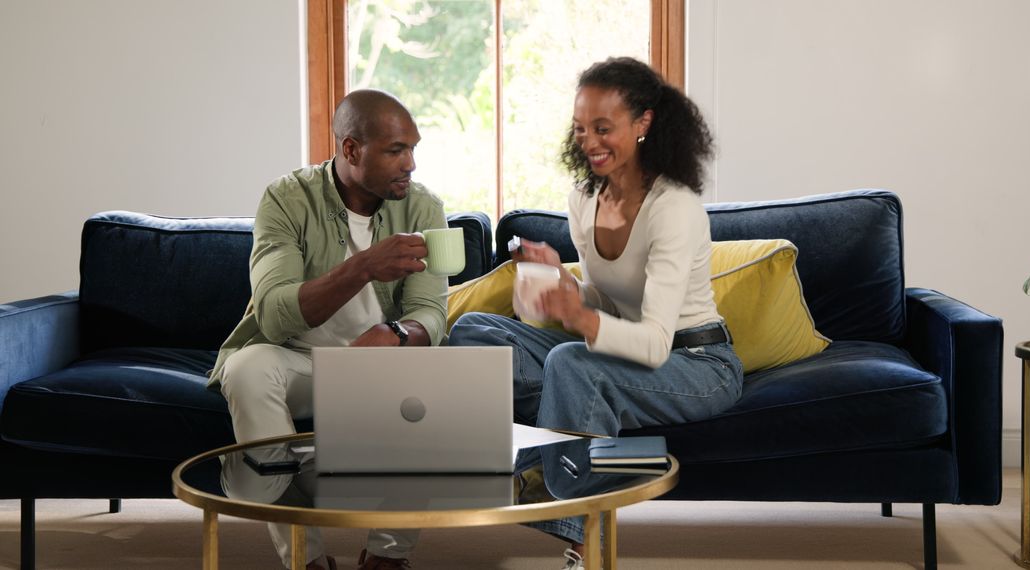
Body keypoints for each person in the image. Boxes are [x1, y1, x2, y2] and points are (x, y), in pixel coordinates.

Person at [449, 57, 744, 569]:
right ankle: (589, 433)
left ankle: (579, 531)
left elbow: (653, 342)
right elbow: (608, 302)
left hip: (696, 363)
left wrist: (579, 319)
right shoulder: (584, 199)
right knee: (474, 330)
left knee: (569, 363)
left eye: (603, 128)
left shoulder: (674, 209)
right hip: (619, 351)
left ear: (644, 124)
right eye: (581, 129)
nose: (590, 142)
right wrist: (564, 286)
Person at [208, 89, 447, 570]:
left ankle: (387, 557)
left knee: (435, 387)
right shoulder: (286, 199)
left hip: (378, 370)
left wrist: (398, 336)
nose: (411, 164)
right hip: (298, 359)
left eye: (414, 149)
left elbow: (431, 315)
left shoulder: (424, 208)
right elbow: (274, 314)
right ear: (351, 149)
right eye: (397, 150)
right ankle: (307, 559)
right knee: (247, 368)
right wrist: (362, 267)